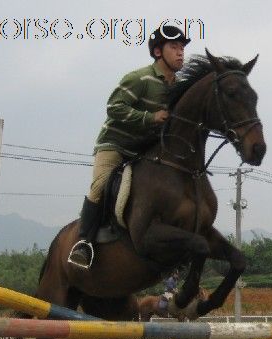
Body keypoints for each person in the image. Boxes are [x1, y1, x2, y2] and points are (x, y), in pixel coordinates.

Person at [68, 25, 191, 269]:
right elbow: (114, 108)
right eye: (174, 47)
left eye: (182, 48)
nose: (180, 53)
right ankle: (84, 243)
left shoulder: (179, 87)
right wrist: (149, 118)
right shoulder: (139, 78)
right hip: (116, 143)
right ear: (158, 51)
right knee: (100, 186)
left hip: (145, 149)